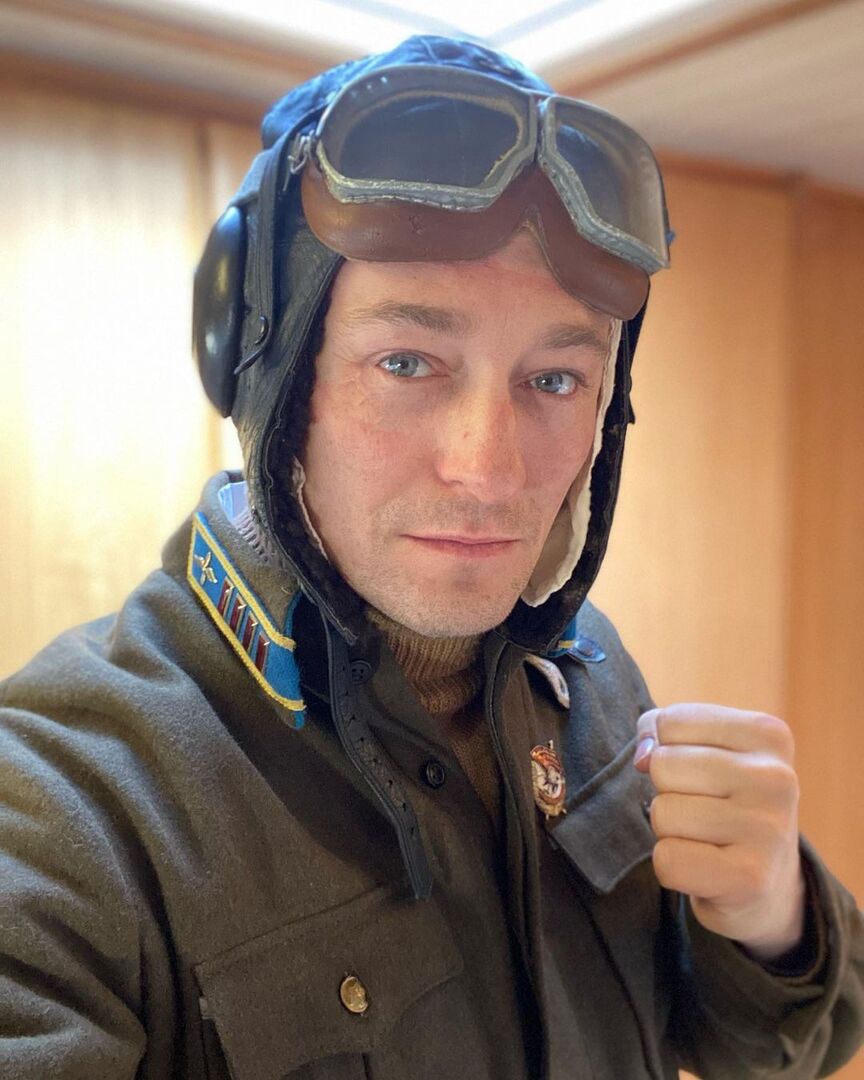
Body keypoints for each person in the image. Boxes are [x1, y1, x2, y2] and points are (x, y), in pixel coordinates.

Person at [0, 33, 861, 1080]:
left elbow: (765, 1048)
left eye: (554, 380)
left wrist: (772, 921)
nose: (488, 471)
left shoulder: (589, 685)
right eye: (406, 362)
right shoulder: (59, 807)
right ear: (264, 370)